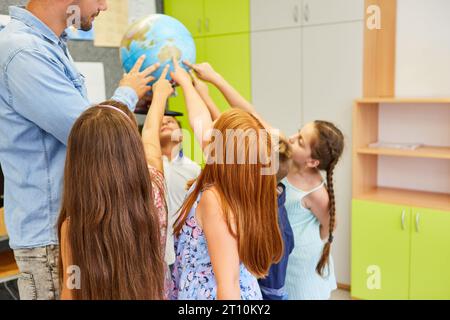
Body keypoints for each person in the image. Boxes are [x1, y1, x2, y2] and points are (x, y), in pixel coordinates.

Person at [0, 1, 155, 299]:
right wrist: (127, 95)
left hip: (68, 237)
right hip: (51, 243)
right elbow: (91, 136)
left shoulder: (50, 46)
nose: (105, 6)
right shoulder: (24, 53)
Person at [169, 59, 283, 300]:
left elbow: (228, 286)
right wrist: (187, 84)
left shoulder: (215, 200)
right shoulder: (244, 181)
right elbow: (198, 119)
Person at [58, 65, 174, 300]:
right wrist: (160, 95)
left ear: (78, 164)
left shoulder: (74, 227)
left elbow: (71, 289)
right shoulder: (153, 193)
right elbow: (150, 138)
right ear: (131, 150)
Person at [283, 121, 344, 300]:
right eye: (297, 133)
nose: (292, 138)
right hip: (284, 259)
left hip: (302, 265)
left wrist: (305, 239)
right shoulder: (285, 162)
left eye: (300, 141)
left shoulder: (316, 192)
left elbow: (329, 226)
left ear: (312, 161)